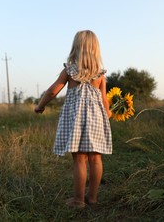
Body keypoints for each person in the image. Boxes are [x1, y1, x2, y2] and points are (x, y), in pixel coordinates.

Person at [34, 30, 112, 208]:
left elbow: (53, 90)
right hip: (96, 120)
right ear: (95, 49)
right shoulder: (100, 74)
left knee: (79, 159)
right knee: (96, 159)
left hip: (75, 119)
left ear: (76, 47)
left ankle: (78, 200)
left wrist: (41, 105)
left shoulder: (69, 70)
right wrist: (107, 114)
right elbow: (104, 99)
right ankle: (92, 198)